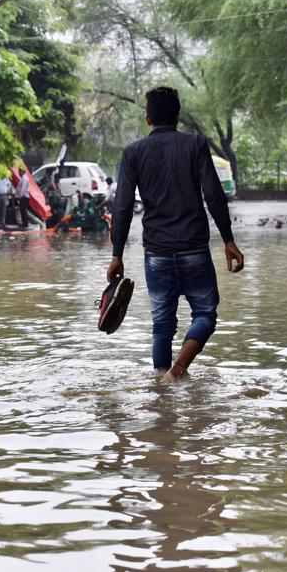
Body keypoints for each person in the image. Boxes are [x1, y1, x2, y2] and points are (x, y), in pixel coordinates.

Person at [108, 87, 245, 382]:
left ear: (148, 119)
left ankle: (161, 389)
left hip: (156, 252)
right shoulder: (195, 145)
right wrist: (228, 240)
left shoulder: (133, 153)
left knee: (162, 325)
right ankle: (178, 369)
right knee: (206, 315)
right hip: (194, 248)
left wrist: (116, 255)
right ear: (178, 116)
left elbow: (122, 207)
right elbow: (213, 194)